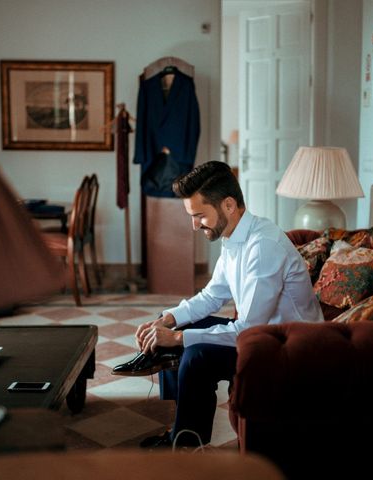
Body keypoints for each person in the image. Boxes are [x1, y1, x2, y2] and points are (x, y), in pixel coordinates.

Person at [112, 160, 324, 448]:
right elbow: (213, 296)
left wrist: (178, 337)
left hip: (290, 347)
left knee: (196, 354)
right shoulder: (234, 236)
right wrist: (169, 320)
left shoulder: (262, 246)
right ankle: (181, 426)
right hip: (265, 333)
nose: (194, 225)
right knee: (181, 328)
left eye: (199, 215)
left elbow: (248, 329)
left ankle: (186, 441)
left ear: (228, 205)